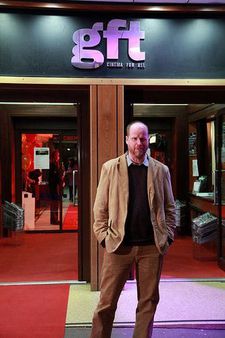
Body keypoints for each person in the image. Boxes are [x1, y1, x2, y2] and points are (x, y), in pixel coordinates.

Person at [90, 121, 176, 338]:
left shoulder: (161, 170)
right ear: (126, 140)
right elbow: (99, 209)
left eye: (143, 138)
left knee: (147, 304)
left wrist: (168, 236)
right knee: (106, 303)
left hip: (151, 247)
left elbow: (170, 207)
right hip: (119, 246)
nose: (139, 142)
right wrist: (103, 238)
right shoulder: (111, 168)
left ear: (148, 140)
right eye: (135, 138)